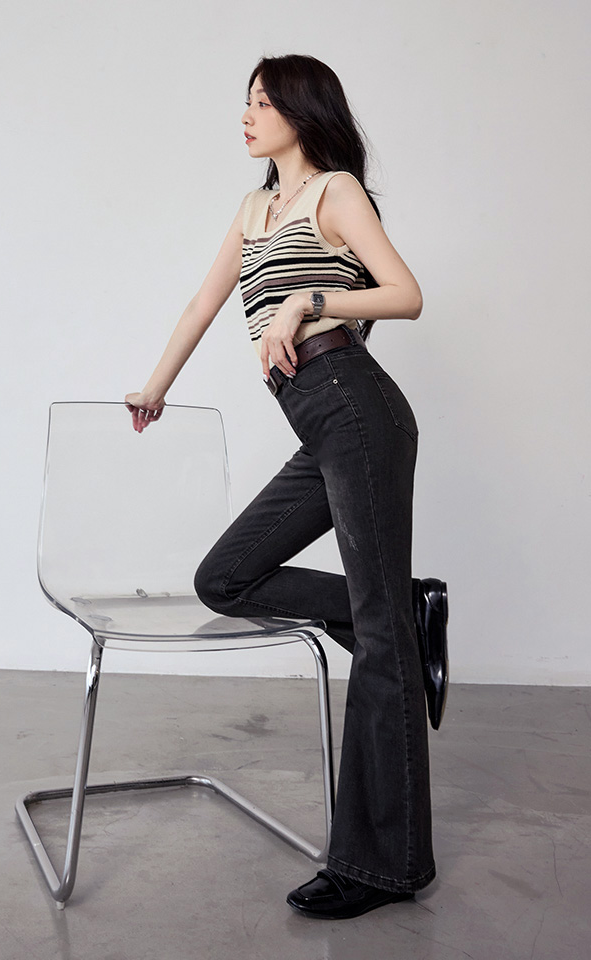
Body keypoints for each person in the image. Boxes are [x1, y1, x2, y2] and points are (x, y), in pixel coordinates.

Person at [125, 53, 449, 920]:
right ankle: (405, 608)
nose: (247, 114)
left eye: (263, 102)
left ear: (302, 111)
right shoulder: (253, 208)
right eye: (246, 101)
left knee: (378, 645)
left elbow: (407, 295)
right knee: (225, 578)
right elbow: (203, 305)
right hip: (321, 425)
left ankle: (381, 867)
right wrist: (154, 387)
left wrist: (310, 298)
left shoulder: (335, 193)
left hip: (357, 408)